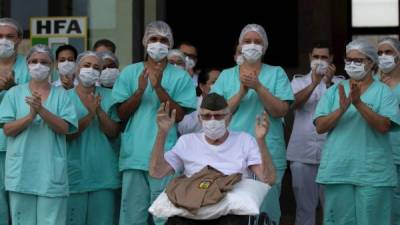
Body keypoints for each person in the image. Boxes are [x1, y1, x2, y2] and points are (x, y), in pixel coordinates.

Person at [112, 21, 197, 225]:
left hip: (166, 158)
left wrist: (158, 88)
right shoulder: (130, 73)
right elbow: (121, 114)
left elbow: (179, 115)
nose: (158, 44)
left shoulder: (180, 77)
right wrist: (140, 91)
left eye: (163, 40)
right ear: (145, 42)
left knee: (165, 217)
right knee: (132, 218)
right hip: (135, 156)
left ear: (170, 44)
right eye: (153, 39)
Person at [149, 93, 276, 225]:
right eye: (207, 116)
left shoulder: (244, 141)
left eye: (219, 116)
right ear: (199, 118)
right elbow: (156, 172)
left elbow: (269, 180)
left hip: (230, 215)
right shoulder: (187, 141)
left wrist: (261, 141)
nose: (213, 120)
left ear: (229, 118)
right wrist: (162, 133)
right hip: (190, 210)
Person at [211, 23, 294, 224]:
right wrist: (241, 91)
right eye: (247, 41)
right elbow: (216, 114)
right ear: (239, 46)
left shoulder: (276, 73)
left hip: (268, 153)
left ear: (264, 47)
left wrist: (257, 86)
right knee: (234, 211)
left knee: (267, 212)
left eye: (257, 41)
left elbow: (281, 110)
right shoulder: (227, 75)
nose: (252, 45)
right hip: (232, 154)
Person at [314, 39, 400, 225]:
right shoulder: (334, 91)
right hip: (339, 171)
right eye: (349, 59)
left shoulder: (384, 92)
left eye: (358, 61)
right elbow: (320, 126)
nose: (352, 64)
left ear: (370, 63)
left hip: (372, 174)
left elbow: (385, 126)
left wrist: (359, 104)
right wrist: (341, 110)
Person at [0, 44, 78, 225]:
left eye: (44, 62)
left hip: (50, 174)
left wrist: (41, 110)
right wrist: (30, 116)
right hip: (21, 173)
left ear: (51, 66)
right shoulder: (14, 93)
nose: (38, 65)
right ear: (27, 64)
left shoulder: (61, 95)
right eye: (34, 61)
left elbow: (65, 128)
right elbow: (7, 129)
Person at [287, 42, 343, 225]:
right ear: (310, 57)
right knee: (304, 208)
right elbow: (292, 104)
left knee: (332, 209)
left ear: (331, 60)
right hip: (302, 153)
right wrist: (313, 84)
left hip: (332, 154)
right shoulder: (297, 81)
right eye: (316, 57)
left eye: (324, 57)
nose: (319, 61)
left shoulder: (340, 83)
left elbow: (340, 110)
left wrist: (327, 85)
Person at [66, 51, 121, 225]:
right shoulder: (64, 97)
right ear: (77, 69)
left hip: (103, 175)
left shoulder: (110, 96)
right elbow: (68, 134)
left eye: (96, 67)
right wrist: (90, 114)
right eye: (86, 66)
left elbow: (113, 131)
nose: (91, 70)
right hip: (73, 175)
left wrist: (98, 111)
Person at [0, 17, 29, 225]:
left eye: (10, 37)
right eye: (0, 37)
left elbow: (39, 104)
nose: (4, 41)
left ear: (19, 39)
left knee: (21, 203)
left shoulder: (32, 67)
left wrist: (12, 89)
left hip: (22, 143)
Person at [376, 37, 400, 225]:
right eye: (380, 53)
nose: (383, 56)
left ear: (398, 56)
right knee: (379, 205)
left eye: (388, 52)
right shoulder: (371, 83)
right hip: (376, 154)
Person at [178, 68, 220, 135]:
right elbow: (181, 129)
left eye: (222, 82)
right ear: (202, 86)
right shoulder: (190, 105)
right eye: (214, 82)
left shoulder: (230, 104)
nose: (220, 86)